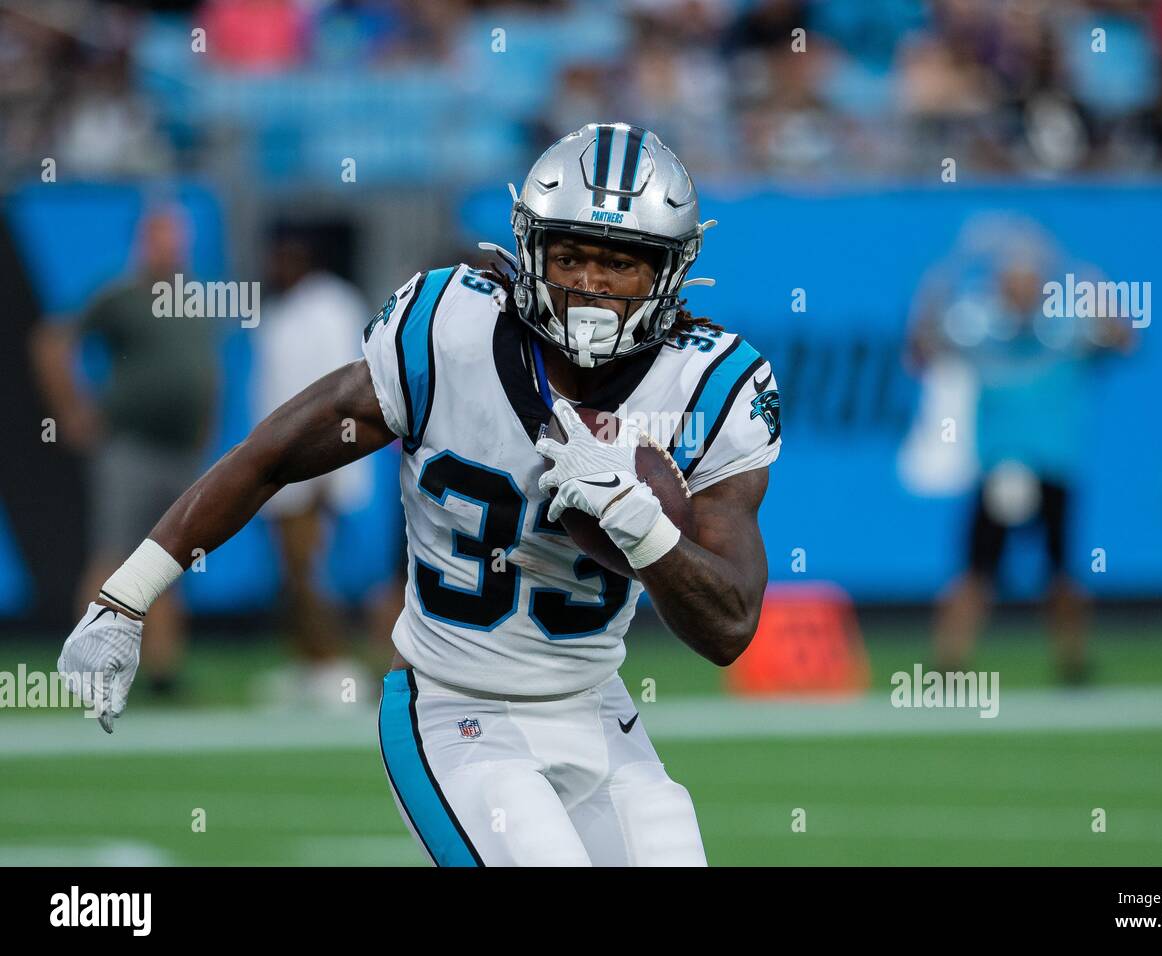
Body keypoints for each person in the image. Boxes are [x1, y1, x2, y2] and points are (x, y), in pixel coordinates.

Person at [57, 124, 782, 866]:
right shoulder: (449, 331)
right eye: (569, 255)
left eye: (619, 262)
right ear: (530, 251)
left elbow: (728, 628)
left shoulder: (710, 386)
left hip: (599, 709)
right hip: (454, 710)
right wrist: (127, 595)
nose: (589, 284)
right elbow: (268, 457)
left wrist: (639, 524)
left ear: (667, 270)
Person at [908, 225, 1130, 684]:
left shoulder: (1067, 334)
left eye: (1030, 283)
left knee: (1062, 574)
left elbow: (1123, 342)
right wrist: (936, 287)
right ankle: (949, 665)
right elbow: (922, 350)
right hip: (998, 468)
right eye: (1012, 283)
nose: (1021, 293)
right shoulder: (980, 335)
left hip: (1054, 467)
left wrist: (1099, 289)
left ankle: (1073, 662)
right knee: (975, 572)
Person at [32, 205, 215, 697]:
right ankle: (88, 669)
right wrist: (72, 412)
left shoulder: (192, 299)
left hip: (181, 452)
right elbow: (53, 342)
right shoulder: (122, 295)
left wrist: (204, 431)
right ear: (143, 242)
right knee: (113, 556)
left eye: (177, 238)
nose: (171, 247)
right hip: (131, 448)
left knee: (171, 562)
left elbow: (204, 372)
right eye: (161, 237)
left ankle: (162, 673)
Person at [250, 225, 375, 707]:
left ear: (302, 258)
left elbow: (345, 389)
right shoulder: (282, 312)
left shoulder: (334, 306)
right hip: (279, 469)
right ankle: (309, 664)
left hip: (317, 466)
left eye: (283, 259)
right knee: (293, 574)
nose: (274, 269)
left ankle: (336, 669)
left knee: (314, 572)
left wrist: (330, 471)